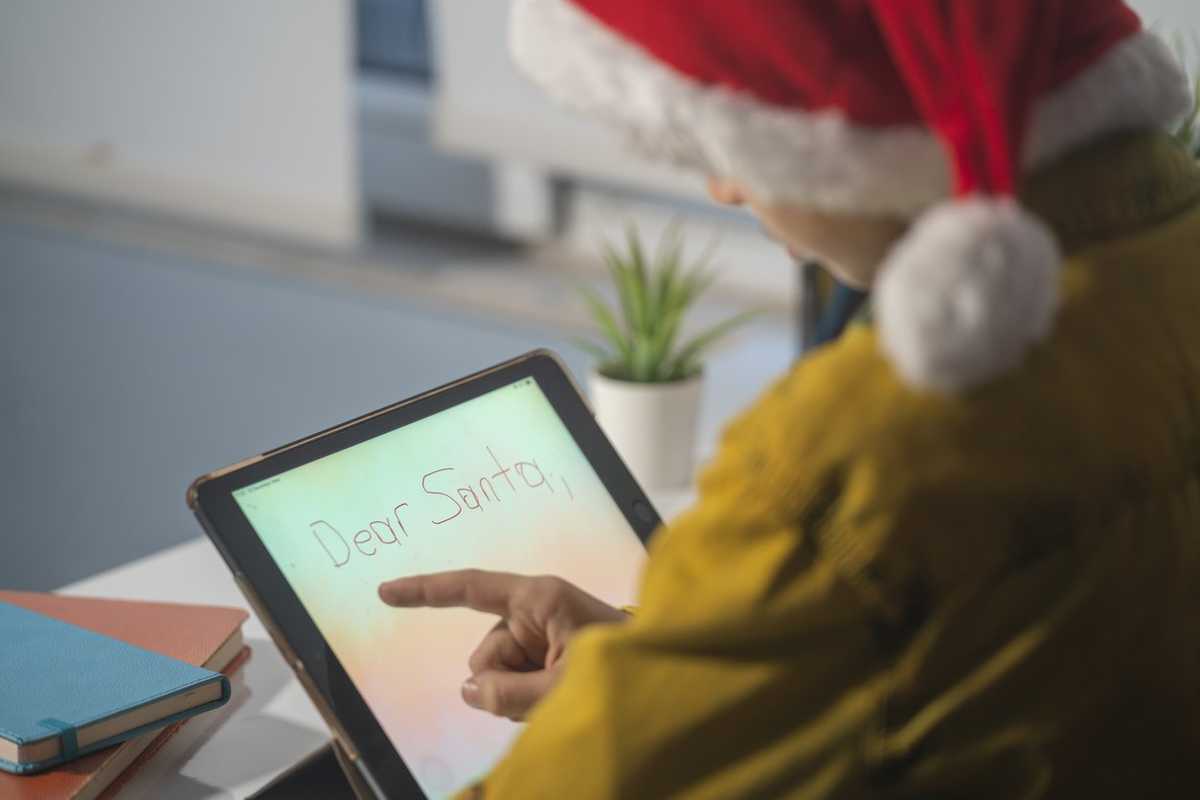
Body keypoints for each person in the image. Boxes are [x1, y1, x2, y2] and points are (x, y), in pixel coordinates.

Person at [380, 1, 1200, 796]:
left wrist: (636, 712)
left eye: (739, 133)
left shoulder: (854, 457)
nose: (724, 188)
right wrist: (672, 672)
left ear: (858, 131)